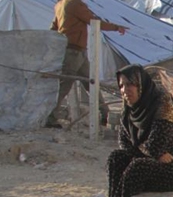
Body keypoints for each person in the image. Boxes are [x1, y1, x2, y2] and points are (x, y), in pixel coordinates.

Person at [106, 65, 173, 197]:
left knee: (137, 168)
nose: (125, 90)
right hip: (153, 162)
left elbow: (156, 146)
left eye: (130, 84)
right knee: (116, 158)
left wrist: (149, 151)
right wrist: (152, 153)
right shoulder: (129, 109)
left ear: (141, 85)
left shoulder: (164, 106)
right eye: (121, 85)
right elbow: (124, 144)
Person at [46, 0, 127, 128]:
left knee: (91, 83)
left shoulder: (60, 5)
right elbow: (93, 21)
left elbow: (53, 28)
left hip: (75, 51)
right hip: (74, 51)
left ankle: (104, 114)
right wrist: (116, 27)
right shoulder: (74, 4)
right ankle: (50, 118)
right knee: (65, 86)